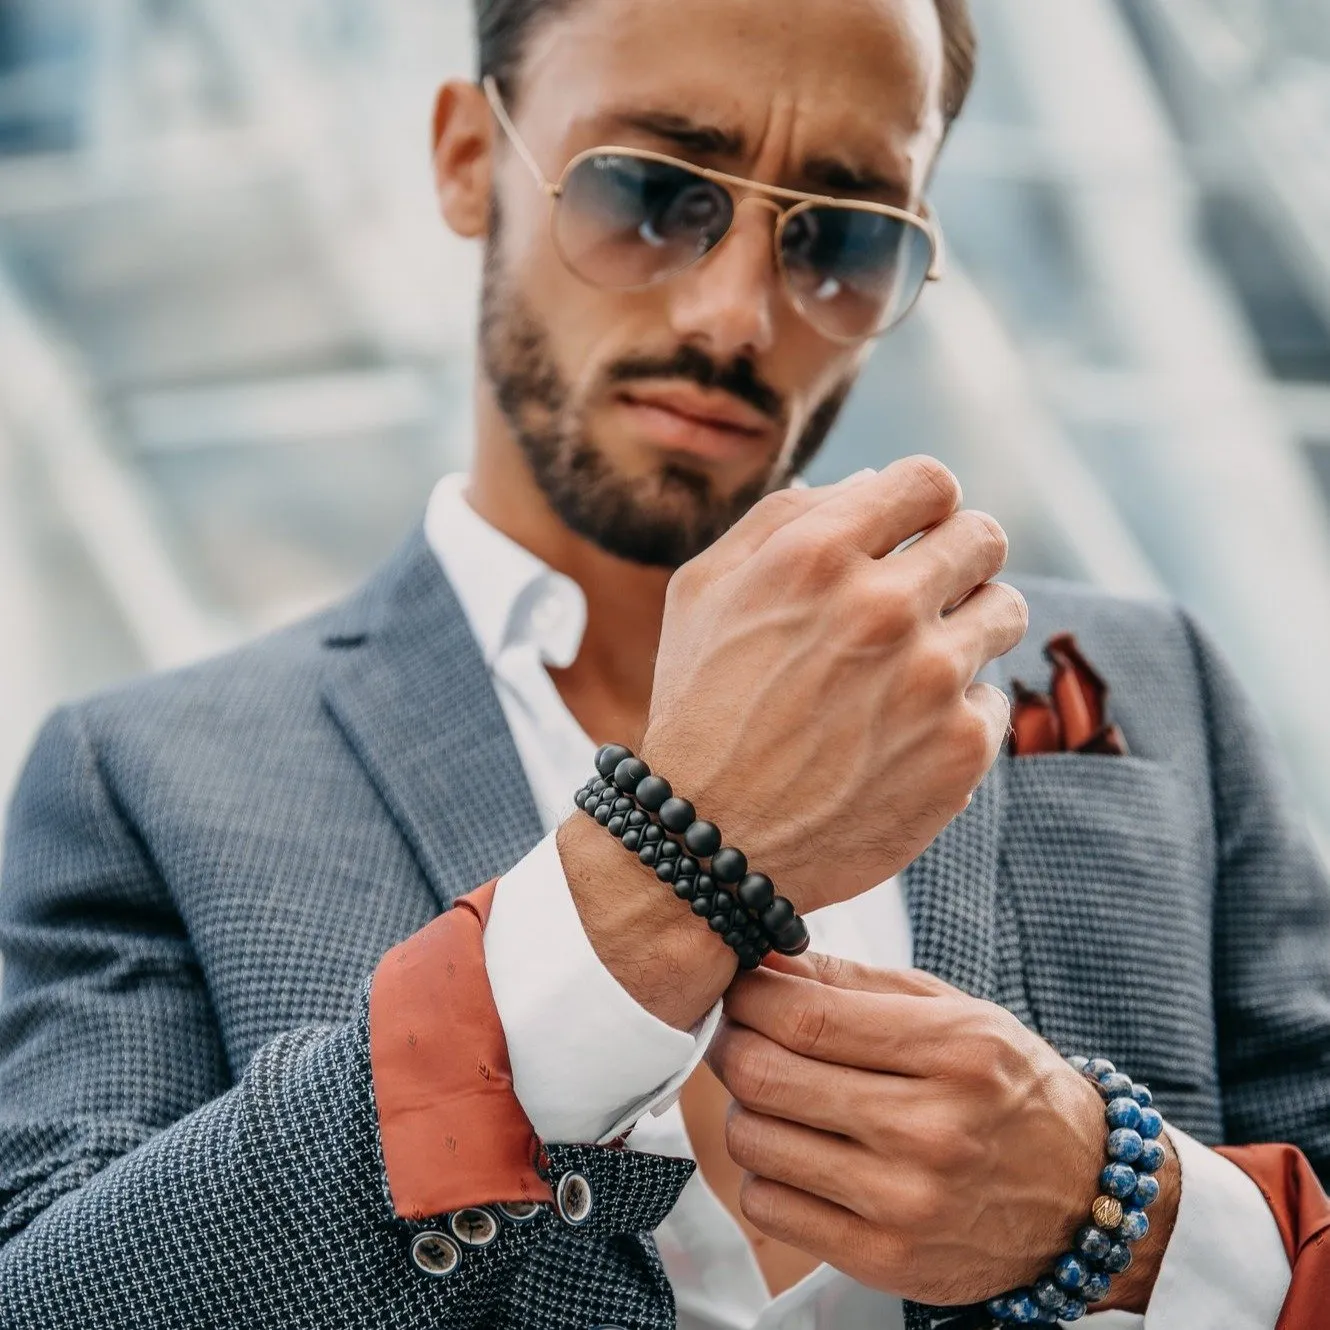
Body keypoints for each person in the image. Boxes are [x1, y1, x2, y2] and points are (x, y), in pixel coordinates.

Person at [2, 0, 1328, 1326]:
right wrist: (659, 870)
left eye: (845, 234)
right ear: (470, 158)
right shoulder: (145, 776)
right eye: (650, 189)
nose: (735, 313)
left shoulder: (1146, 688)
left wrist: (1126, 1215)